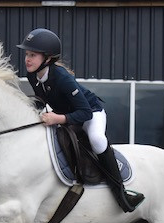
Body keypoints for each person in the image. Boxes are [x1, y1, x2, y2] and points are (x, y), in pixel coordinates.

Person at [17, 28, 144, 212]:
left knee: (97, 140)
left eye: (33, 55)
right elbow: (44, 99)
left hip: (91, 112)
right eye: (27, 54)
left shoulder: (62, 78)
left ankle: (121, 194)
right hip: (67, 116)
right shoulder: (33, 75)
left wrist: (57, 118)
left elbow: (85, 113)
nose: (27, 59)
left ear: (48, 58)